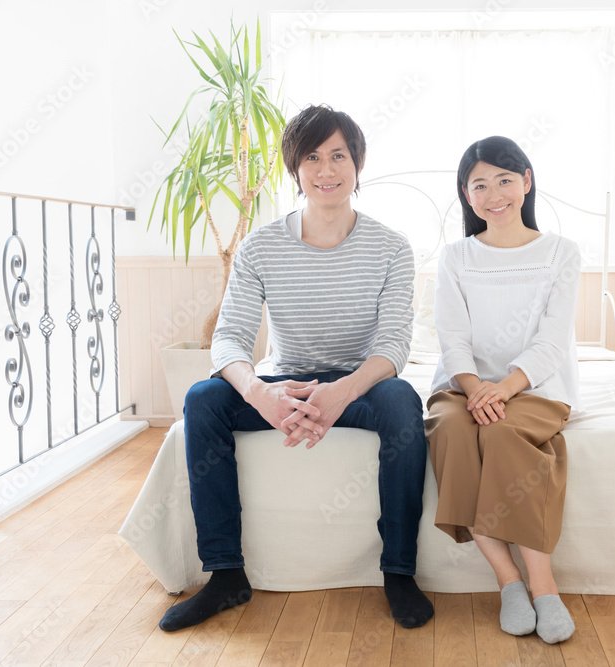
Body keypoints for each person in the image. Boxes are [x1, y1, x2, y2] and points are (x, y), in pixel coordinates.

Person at [159, 104, 434, 632]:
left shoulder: (393, 248)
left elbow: (395, 343)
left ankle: (399, 571)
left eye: (339, 155)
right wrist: (261, 395)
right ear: (295, 168)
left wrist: (344, 393)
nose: (327, 169)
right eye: (312, 157)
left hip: (360, 386)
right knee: (203, 399)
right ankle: (225, 575)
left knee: (402, 401)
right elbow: (230, 339)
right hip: (282, 383)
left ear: (357, 164)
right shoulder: (260, 246)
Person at [425, 136, 581, 644]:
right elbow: (452, 337)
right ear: (467, 196)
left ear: (527, 182)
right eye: (480, 185)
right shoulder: (455, 257)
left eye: (505, 180)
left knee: (500, 436)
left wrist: (506, 387)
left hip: (535, 386)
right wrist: (474, 389)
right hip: (464, 386)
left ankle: (544, 585)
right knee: (451, 429)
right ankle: (508, 579)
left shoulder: (561, 252)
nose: (494, 193)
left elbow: (552, 340)